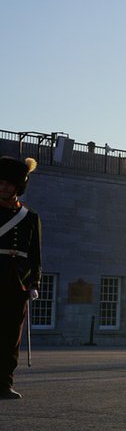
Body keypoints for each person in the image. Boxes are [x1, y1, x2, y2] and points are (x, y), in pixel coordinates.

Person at [0, 157, 41, 399]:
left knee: (10, 337)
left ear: (18, 186)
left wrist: (34, 283)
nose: (4, 187)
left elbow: (35, 254)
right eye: (0, 182)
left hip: (16, 281)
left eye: (8, 184)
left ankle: (4, 383)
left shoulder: (29, 217)